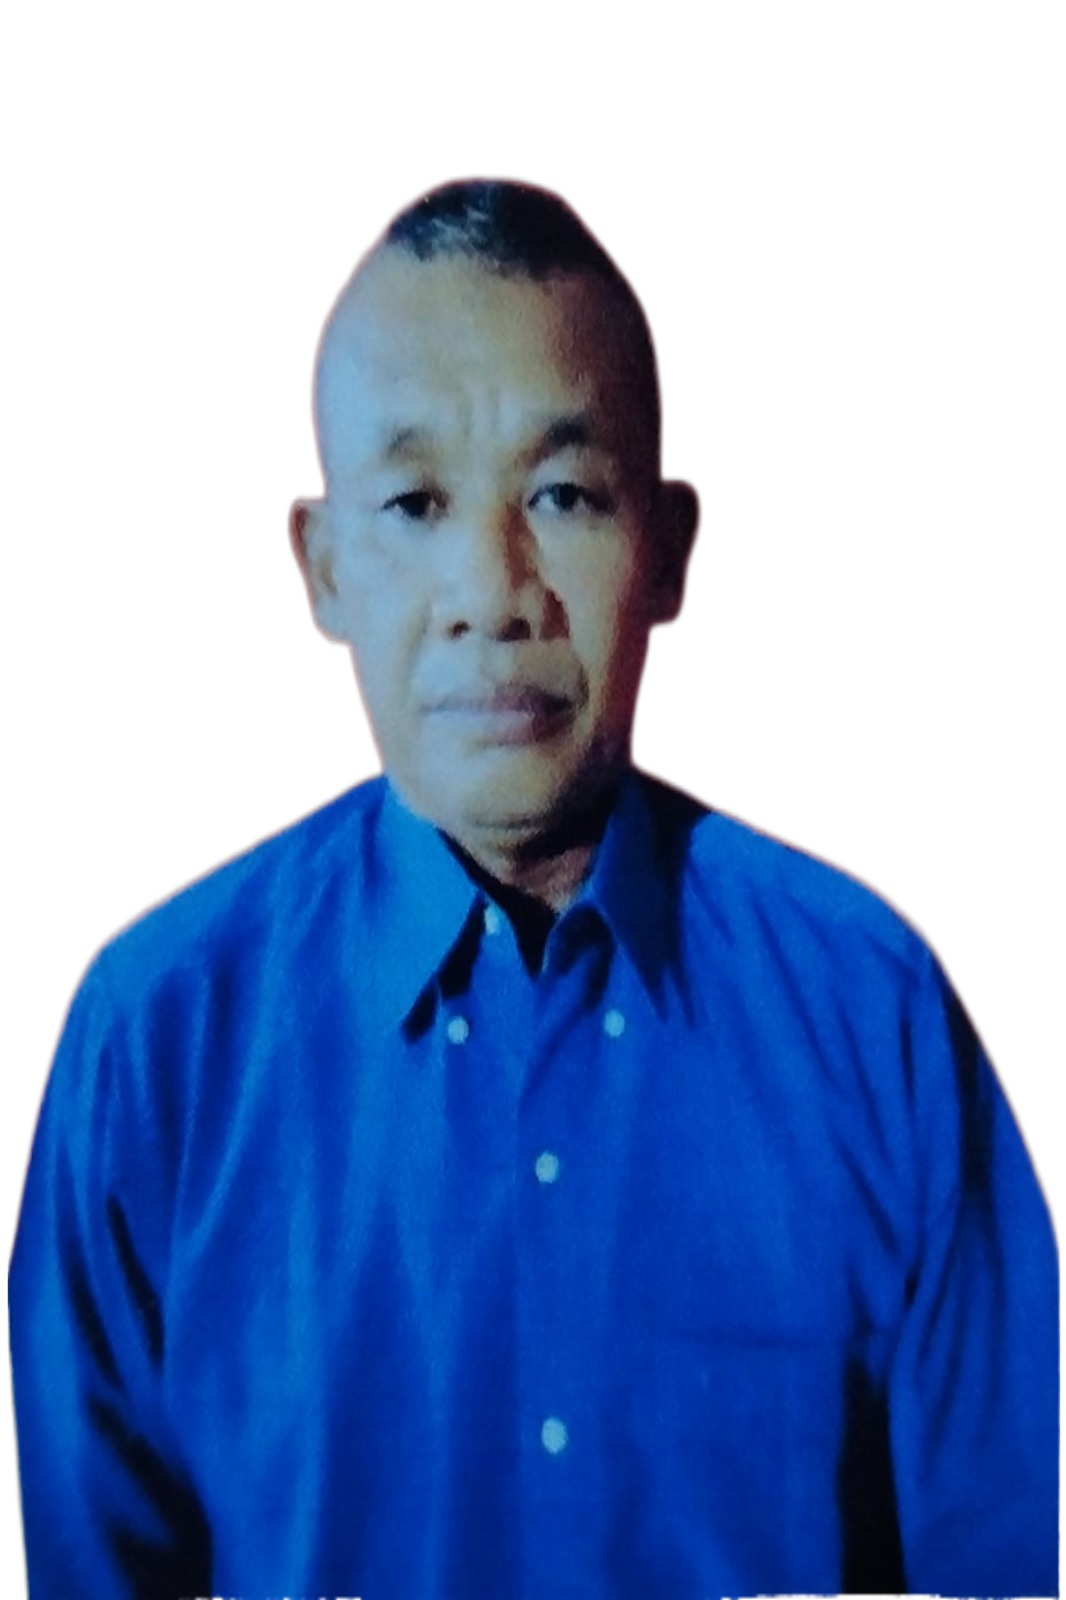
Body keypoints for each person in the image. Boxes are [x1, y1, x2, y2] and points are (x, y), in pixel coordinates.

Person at [9, 179, 1057, 1599]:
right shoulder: (159, 1048)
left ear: (666, 548)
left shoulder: (871, 1019)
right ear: (324, 569)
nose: (492, 592)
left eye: (561, 496)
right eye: (414, 504)